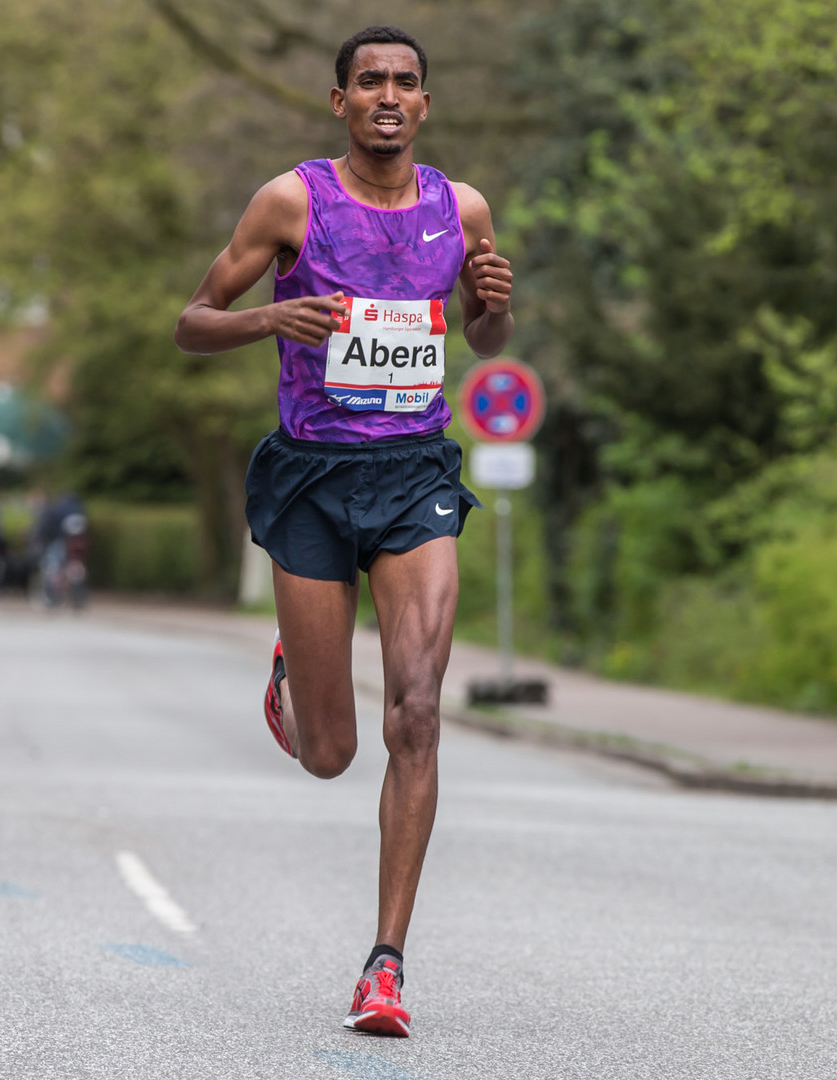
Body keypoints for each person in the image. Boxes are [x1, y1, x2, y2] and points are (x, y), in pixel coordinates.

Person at [174, 26, 514, 1037]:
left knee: (416, 710)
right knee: (331, 753)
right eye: (370, 81)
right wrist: (266, 322)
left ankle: (385, 966)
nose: (389, 96)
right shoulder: (291, 202)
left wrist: (492, 308)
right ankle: (297, 678)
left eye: (407, 82)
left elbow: (482, 333)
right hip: (314, 476)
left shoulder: (464, 210)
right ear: (340, 102)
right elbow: (193, 321)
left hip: (415, 475)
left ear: (425, 103)